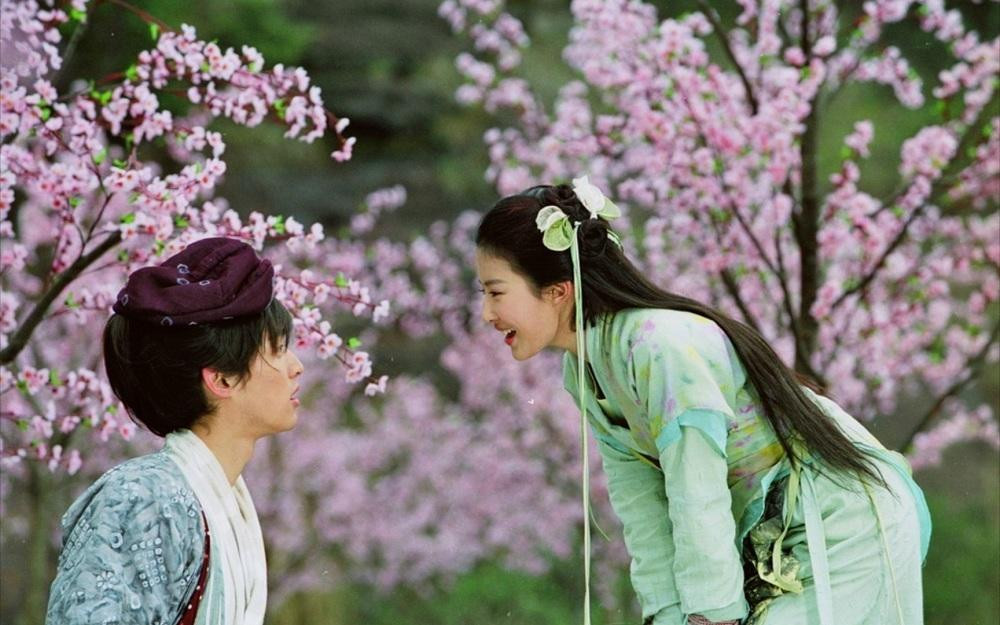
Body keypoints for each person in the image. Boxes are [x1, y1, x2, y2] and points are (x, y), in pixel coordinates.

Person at [474, 179, 931, 625]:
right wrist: (665, 615)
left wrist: (710, 616)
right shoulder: (584, 370)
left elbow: (696, 489)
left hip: (845, 521)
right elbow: (642, 507)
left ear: (558, 291)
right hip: (777, 536)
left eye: (496, 292)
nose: (487, 313)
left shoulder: (661, 346)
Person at [45, 237, 304, 625]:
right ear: (222, 379)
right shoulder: (145, 498)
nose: (296, 367)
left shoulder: (220, 498)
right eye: (278, 349)